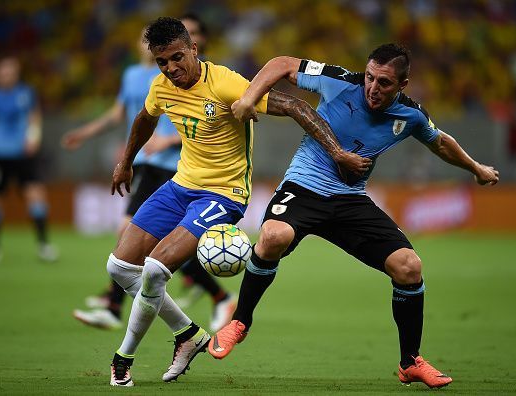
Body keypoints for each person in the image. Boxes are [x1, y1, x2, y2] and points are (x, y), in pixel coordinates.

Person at [209, 44, 500, 389]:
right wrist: (248, 98)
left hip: (350, 201)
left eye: (385, 83)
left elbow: (439, 142)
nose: (373, 88)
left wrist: (475, 168)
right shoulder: (339, 81)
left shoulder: (411, 116)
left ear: (403, 85)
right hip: (304, 187)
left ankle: (410, 362)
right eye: (371, 78)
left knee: (409, 266)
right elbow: (282, 63)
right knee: (273, 236)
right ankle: (240, 322)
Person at [107, 17, 362, 386]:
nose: (171, 68)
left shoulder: (226, 84)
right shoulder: (161, 87)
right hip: (181, 186)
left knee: (154, 270)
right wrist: (125, 162)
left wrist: (337, 152)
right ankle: (187, 335)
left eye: (178, 57)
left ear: (193, 49)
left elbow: (294, 106)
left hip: (223, 194)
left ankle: (123, 358)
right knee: (118, 267)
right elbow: (145, 119)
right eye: (163, 62)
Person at [63, 15, 237, 333]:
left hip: (173, 167)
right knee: (156, 249)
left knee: (134, 235)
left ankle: (116, 305)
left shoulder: (203, 77)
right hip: (145, 161)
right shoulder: (138, 77)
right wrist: (87, 135)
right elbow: (125, 115)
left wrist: (169, 140)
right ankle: (214, 295)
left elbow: (205, 127)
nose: (169, 64)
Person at [0, 57, 58, 264]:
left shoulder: (26, 93)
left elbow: (34, 117)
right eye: (3, 73)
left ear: (16, 74)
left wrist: (33, 137)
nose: (6, 76)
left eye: (10, 73)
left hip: (24, 156)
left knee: (36, 196)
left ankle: (43, 245)